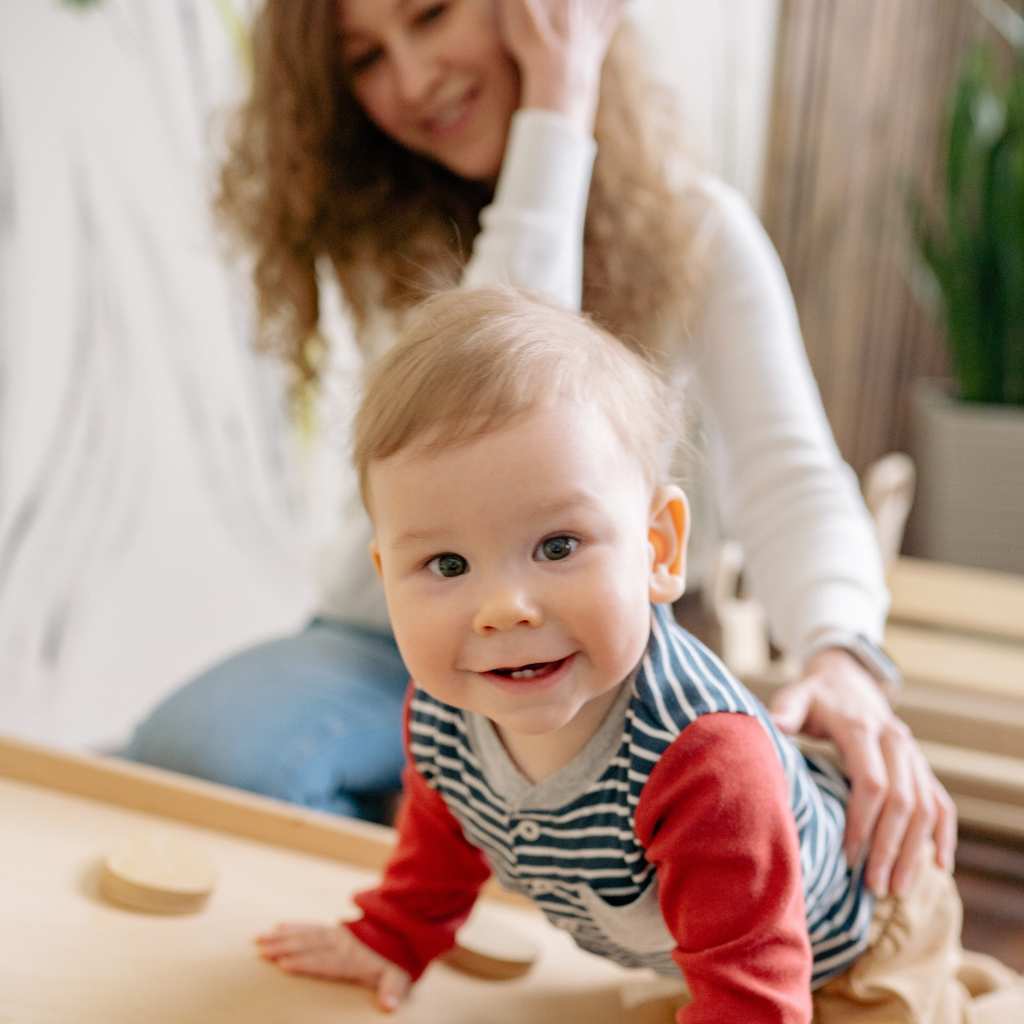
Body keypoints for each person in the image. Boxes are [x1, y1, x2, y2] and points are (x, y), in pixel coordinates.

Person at [125, 0, 953, 899]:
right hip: (395, 647)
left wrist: (842, 653)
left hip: (606, 655)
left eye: (431, 17)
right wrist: (554, 113)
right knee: (188, 754)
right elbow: (487, 396)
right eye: (365, 60)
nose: (408, 80)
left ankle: (494, 839)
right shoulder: (391, 244)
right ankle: (461, 849)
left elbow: (791, 474)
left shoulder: (698, 231)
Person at [255, 287, 1024, 1022]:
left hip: (861, 949)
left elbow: (751, 999)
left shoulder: (702, 762)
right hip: (723, 951)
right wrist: (389, 939)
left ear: (659, 549)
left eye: (558, 546)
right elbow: (443, 843)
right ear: (388, 579)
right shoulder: (445, 712)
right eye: (447, 566)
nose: (503, 610)